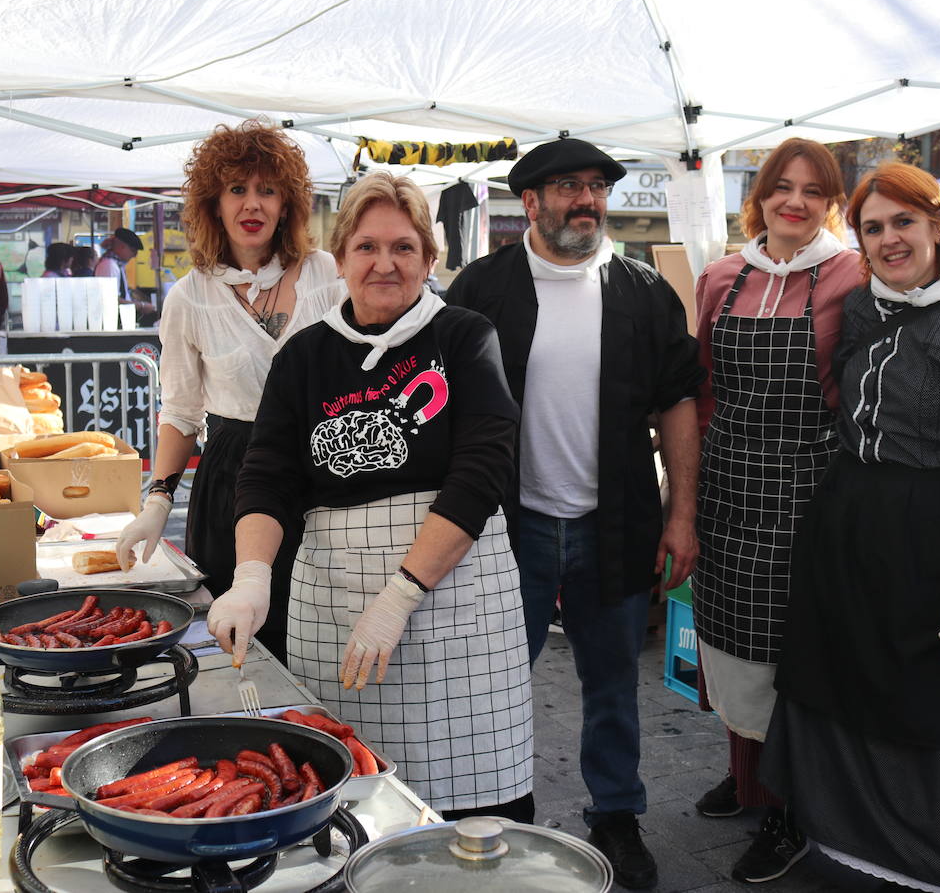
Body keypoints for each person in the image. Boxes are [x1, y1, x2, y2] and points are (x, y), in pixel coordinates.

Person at [207, 172, 535, 821]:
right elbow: (268, 476)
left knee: (476, 806)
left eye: (404, 248)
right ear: (340, 257)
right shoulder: (304, 356)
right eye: (367, 247)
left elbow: (481, 471)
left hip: (455, 594)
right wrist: (250, 579)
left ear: (429, 259)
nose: (385, 264)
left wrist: (402, 594)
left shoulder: (465, 337)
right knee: (349, 796)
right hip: (334, 596)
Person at [762, 163, 940, 893]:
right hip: (857, 536)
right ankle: (847, 848)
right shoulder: (865, 308)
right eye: (873, 227)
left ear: (939, 228)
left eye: (904, 222)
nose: (890, 239)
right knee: (848, 689)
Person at [445, 138, 705, 889]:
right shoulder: (481, 289)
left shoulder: (642, 291)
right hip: (507, 521)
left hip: (615, 516)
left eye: (596, 186)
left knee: (613, 682)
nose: (586, 200)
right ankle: (489, 815)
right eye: (567, 187)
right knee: (493, 678)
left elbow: (677, 403)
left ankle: (617, 817)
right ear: (530, 202)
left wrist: (681, 515)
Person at [689, 138, 863, 884]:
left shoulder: (853, 275)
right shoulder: (721, 276)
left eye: (813, 191)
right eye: (781, 187)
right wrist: (684, 495)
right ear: (757, 195)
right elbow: (701, 390)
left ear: (832, 204)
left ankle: (792, 809)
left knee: (790, 656)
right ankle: (752, 778)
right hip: (727, 484)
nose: (796, 202)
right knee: (728, 645)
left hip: (806, 492)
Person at [116, 119, 344, 665]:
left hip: (323, 468)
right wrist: (157, 501)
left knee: (319, 633)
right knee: (243, 644)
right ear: (212, 203)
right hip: (233, 477)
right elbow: (182, 410)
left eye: (267, 189)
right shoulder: (189, 298)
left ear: (287, 203)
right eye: (237, 189)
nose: (253, 203)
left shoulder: (326, 275)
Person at [96, 227, 144, 299]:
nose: (134, 255)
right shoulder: (109, 266)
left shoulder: (117, 264)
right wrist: (141, 306)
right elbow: (111, 298)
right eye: (133, 250)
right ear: (122, 246)